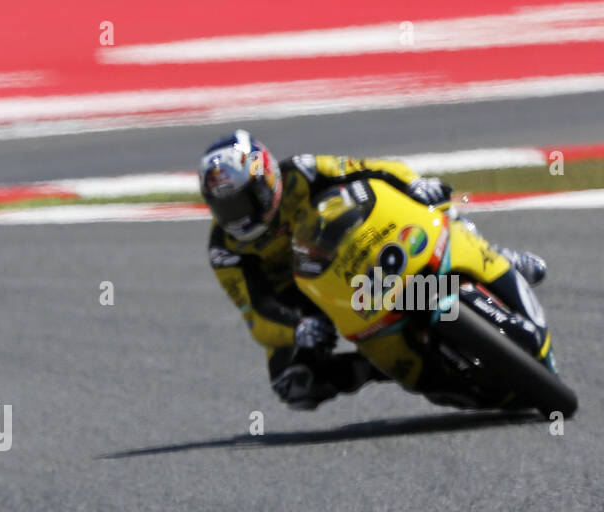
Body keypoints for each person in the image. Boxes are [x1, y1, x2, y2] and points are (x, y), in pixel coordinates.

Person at [199, 129, 550, 409]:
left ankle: (493, 255)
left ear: (266, 182)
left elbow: (369, 168)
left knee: (429, 202)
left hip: (358, 250)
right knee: (293, 385)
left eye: (242, 200)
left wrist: (414, 184)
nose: (237, 215)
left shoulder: (302, 172)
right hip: (309, 305)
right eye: (225, 207)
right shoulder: (225, 250)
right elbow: (256, 312)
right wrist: (296, 328)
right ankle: (376, 368)